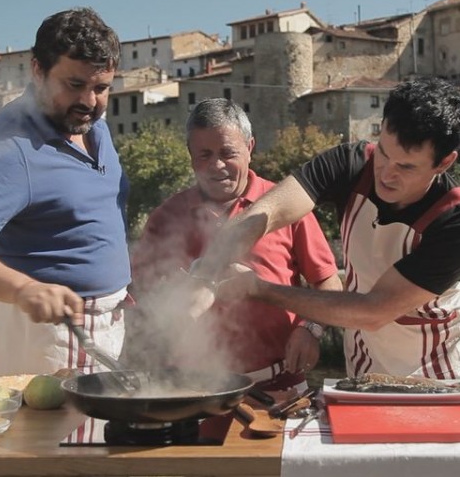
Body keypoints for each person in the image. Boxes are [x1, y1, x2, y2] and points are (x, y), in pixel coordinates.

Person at [190, 77, 460, 389]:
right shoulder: (349, 164)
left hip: (441, 373)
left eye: (406, 167)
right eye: (383, 152)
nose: (386, 174)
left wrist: (258, 288)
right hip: (366, 363)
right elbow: (267, 213)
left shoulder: (458, 222)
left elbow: (374, 311)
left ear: (444, 162)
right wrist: (207, 272)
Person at [0, 7, 131, 381]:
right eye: (74, 84)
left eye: (101, 88)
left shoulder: (93, 128)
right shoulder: (6, 147)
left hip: (98, 330)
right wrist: (24, 289)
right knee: (24, 422)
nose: (89, 101)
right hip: (31, 334)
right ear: (37, 70)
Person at [129, 98, 342, 393]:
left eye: (227, 153)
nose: (216, 165)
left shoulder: (287, 205)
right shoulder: (166, 217)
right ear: (190, 155)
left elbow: (329, 283)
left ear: (250, 147)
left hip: (280, 386)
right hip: (191, 389)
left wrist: (311, 328)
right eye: (204, 155)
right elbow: (140, 293)